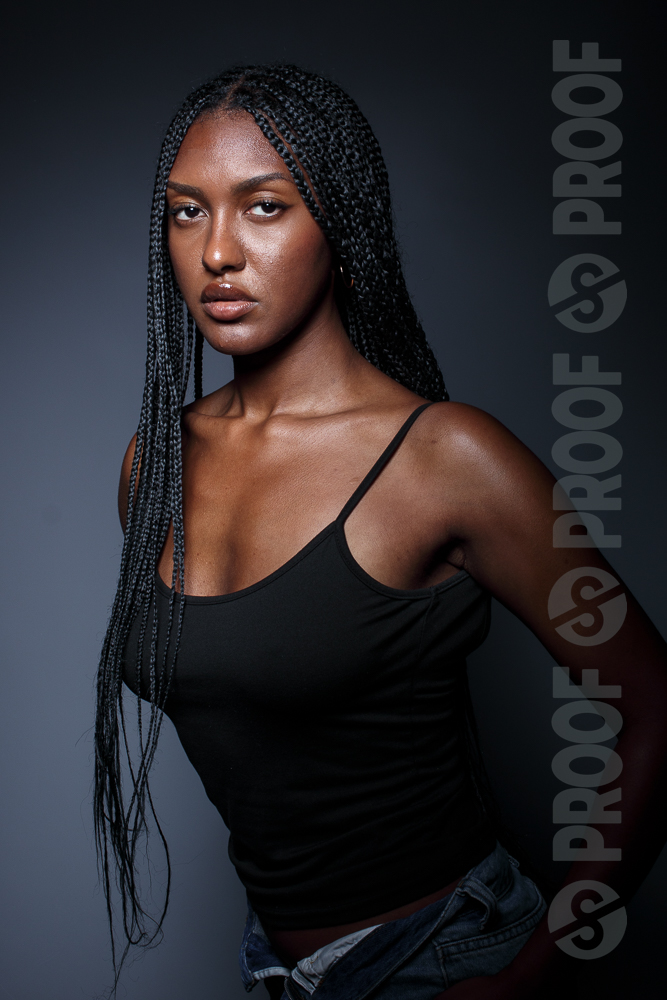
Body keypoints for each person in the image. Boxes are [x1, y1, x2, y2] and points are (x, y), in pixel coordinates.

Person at [95, 65, 667, 999]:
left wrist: (532, 977)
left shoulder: (447, 459)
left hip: (442, 956)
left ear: (341, 225)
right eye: (187, 212)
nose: (218, 252)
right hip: (276, 970)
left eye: (265, 207)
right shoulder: (154, 461)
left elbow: (655, 707)